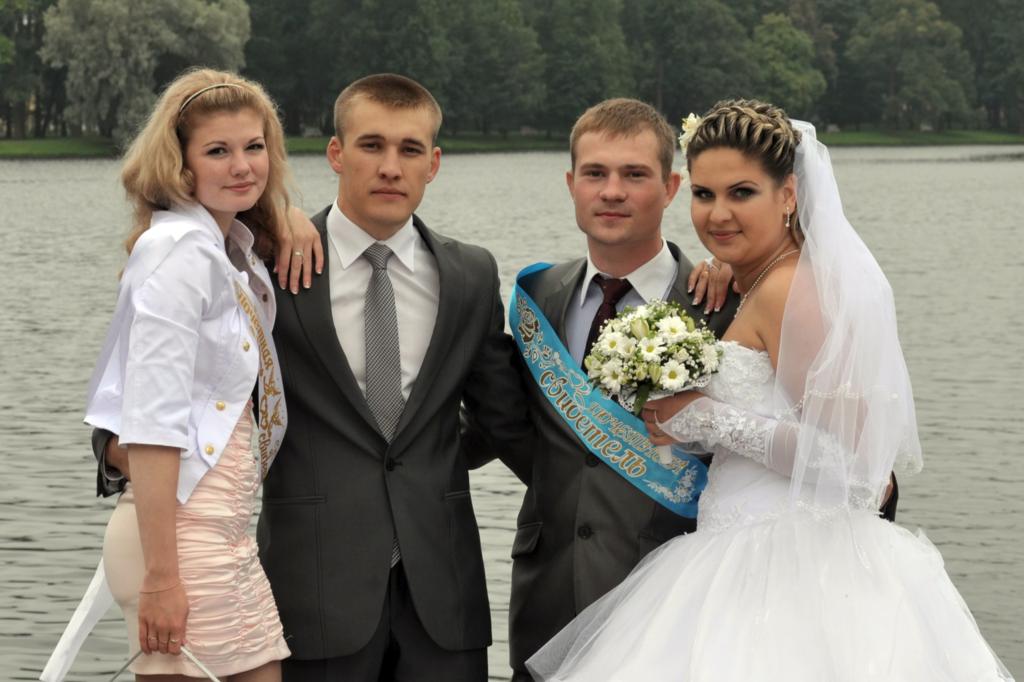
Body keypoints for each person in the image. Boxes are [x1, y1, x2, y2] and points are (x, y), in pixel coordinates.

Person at [526, 100, 1013, 681]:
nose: (719, 213)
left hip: (787, 570)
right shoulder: (747, 284)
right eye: (704, 194)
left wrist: (704, 418)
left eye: (742, 193)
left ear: (788, 195)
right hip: (725, 552)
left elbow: (856, 469)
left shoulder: (792, 291)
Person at [99, 73, 532, 681]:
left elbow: (502, 420)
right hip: (310, 592)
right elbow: (154, 391)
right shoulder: (259, 265)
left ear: (433, 164)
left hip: (444, 599)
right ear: (335, 153)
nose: (390, 167)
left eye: (410, 150)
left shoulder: (471, 274)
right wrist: (116, 452)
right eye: (370, 145)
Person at [487, 98, 742, 681]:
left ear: (671, 187)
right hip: (547, 601)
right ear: (571, 184)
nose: (612, 192)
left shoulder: (722, 305)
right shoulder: (538, 297)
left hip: (671, 607)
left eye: (634, 175)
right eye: (595, 173)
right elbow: (500, 425)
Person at [82, 68, 295, 679]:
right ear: (180, 165)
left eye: (254, 146)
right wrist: (161, 578)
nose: (242, 166)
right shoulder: (178, 252)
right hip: (180, 544)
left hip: (224, 534)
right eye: (218, 151)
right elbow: (152, 422)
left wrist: (292, 217)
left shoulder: (226, 250)